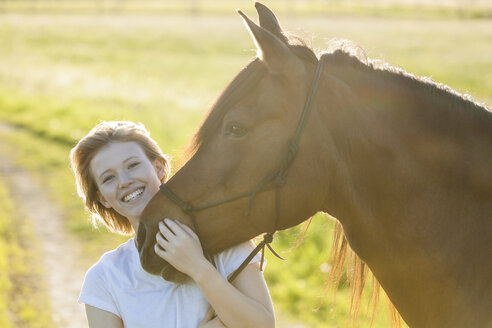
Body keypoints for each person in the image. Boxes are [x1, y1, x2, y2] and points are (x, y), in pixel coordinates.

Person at [70, 121, 275, 328]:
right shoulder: (104, 278)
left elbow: (263, 326)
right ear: (102, 198)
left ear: (158, 168)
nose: (124, 181)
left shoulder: (226, 242)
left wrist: (198, 267)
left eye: (132, 165)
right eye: (108, 178)